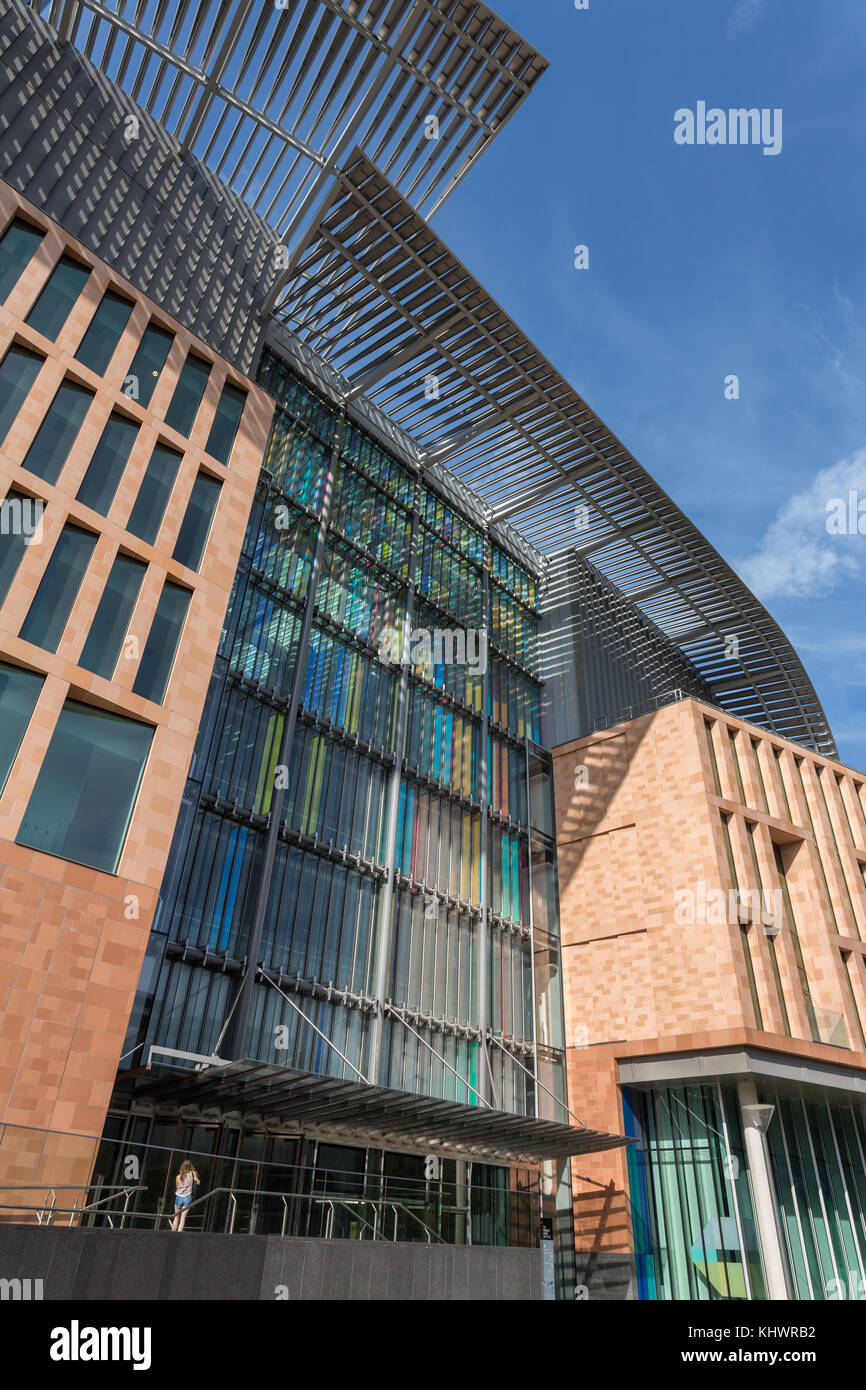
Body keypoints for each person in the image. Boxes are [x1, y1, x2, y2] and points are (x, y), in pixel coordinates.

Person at [170, 1159, 200, 1232]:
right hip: (187, 1197)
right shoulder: (192, 1173)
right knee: (183, 1217)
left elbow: (177, 1188)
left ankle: (173, 1233)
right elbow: (198, 1182)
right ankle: (179, 1233)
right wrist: (194, 1180)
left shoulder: (178, 1176)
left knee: (176, 1217)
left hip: (179, 1197)